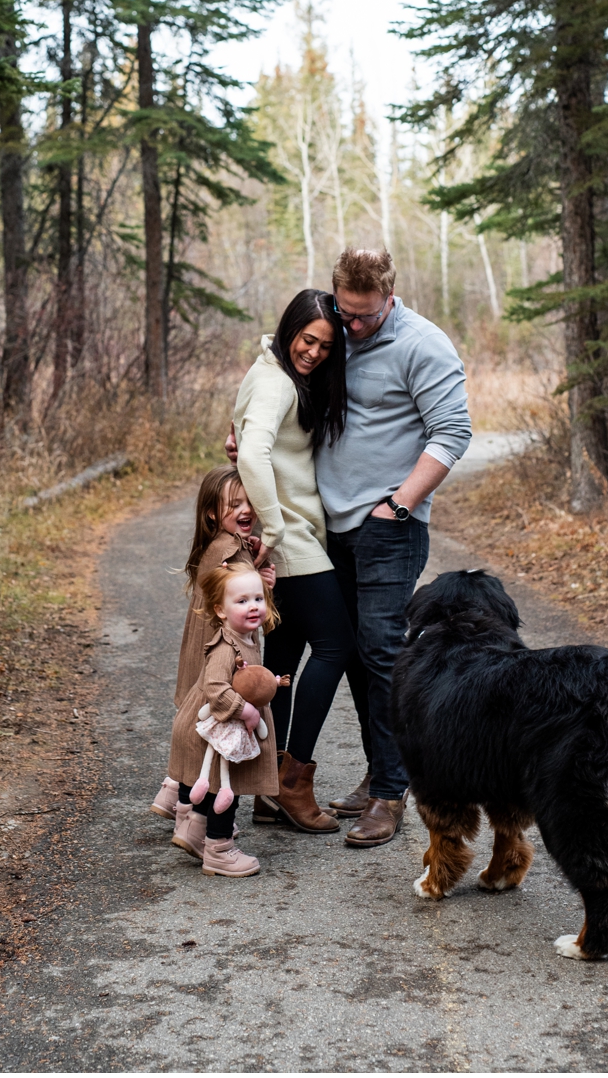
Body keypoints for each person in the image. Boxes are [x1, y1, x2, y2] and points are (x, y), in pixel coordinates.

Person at [312, 249, 472, 847]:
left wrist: (399, 504)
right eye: (345, 312)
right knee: (355, 653)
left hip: (389, 525)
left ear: (390, 296)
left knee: (383, 652)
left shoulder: (423, 344)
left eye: (366, 315)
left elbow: (452, 432)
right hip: (329, 525)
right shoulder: (333, 333)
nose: (353, 326)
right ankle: (380, 772)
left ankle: (391, 791)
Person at [229, 289, 355, 835]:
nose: (315, 352)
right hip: (291, 540)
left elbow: (253, 441)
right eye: (308, 340)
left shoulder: (271, 372)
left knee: (282, 657)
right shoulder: (276, 382)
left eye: (326, 346)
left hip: (290, 536)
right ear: (289, 330)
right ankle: (293, 779)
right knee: (336, 644)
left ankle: (266, 787)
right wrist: (275, 527)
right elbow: (253, 450)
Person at [149, 466, 274, 821]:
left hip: (202, 647)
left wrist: (260, 575)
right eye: (234, 504)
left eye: (249, 501)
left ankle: (175, 793)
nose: (245, 510)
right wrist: (261, 587)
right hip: (220, 652)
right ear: (212, 513)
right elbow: (240, 602)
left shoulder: (219, 544)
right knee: (210, 730)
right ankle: (195, 820)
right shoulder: (231, 550)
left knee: (196, 723)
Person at [168, 559, 281, 877]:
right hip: (218, 726)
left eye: (258, 598)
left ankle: (195, 831)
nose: (253, 607)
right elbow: (216, 688)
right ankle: (219, 849)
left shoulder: (247, 635)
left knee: (218, 784)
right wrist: (245, 709)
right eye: (242, 601)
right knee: (226, 788)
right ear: (220, 610)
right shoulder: (225, 646)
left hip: (222, 728)